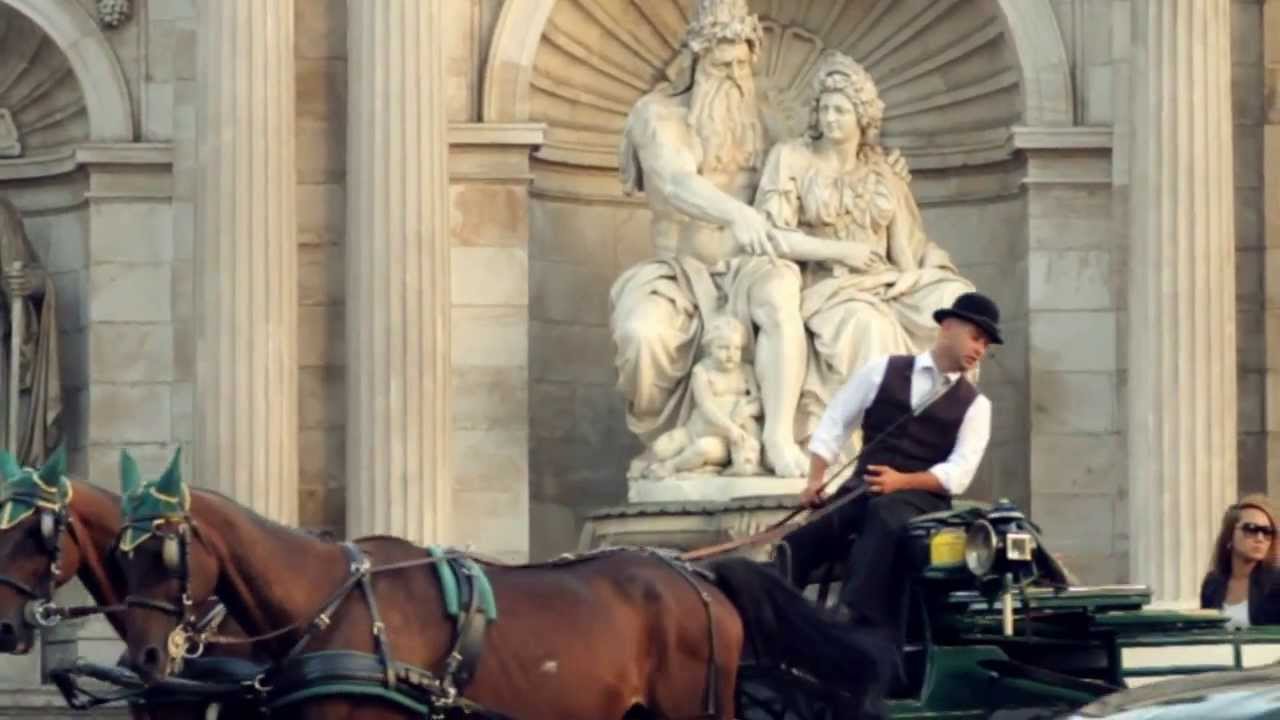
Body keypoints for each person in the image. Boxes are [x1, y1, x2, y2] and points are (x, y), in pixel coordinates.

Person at [775, 291, 999, 680]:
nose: (980, 349)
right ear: (947, 327)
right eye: (976, 336)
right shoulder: (883, 370)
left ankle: (854, 621)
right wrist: (815, 480)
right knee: (794, 546)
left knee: (885, 515)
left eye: (985, 343)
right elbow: (835, 421)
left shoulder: (977, 406)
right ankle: (773, 633)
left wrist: (902, 481)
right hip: (860, 490)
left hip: (921, 503)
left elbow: (958, 473)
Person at [753, 50, 974, 440]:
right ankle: (875, 447)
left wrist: (909, 282)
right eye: (825, 109)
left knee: (960, 307)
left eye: (841, 109)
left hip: (886, 283)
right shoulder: (791, 158)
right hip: (828, 287)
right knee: (869, 326)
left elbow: (904, 247)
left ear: (862, 116)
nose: (830, 118)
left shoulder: (884, 171)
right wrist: (842, 252)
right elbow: (773, 235)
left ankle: (938, 434)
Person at [644, 316, 763, 478]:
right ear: (709, 348)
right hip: (698, 430)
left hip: (732, 442)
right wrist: (730, 427)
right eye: (723, 348)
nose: (731, 354)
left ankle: (671, 467)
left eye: (737, 348)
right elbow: (706, 406)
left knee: (702, 449)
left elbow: (759, 402)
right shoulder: (702, 371)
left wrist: (747, 411)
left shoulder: (746, 370)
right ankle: (665, 463)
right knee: (661, 448)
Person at [1200, 495, 1280, 629]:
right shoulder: (1212, 584)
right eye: (1251, 528)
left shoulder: (1276, 583)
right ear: (1230, 535)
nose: (1260, 538)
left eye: (1267, 532)